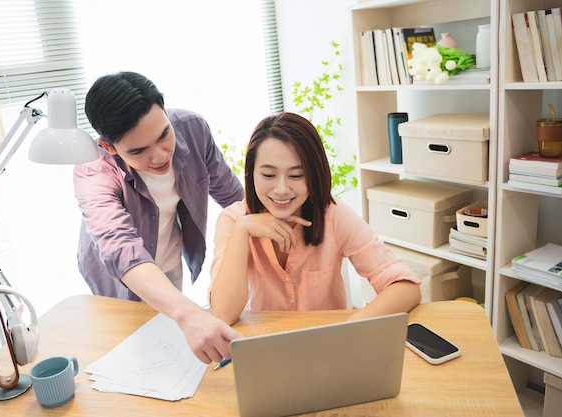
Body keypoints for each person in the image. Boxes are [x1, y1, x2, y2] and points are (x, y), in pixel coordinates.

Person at [73, 71, 244, 363]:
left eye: (163, 135)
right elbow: (121, 249)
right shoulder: (93, 171)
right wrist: (190, 314)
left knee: (169, 349)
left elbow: (232, 198)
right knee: (133, 355)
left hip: (169, 258)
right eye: (138, 151)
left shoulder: (192, 128)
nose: (159, 156)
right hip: (120, 279)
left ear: (165, 112)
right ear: (108, 147)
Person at [209, 112, 421, 325]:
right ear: (251, 173)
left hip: (326, 347)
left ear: (314, 174)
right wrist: (242, 229)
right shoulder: (233, 221)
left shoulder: (333, 215)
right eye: (268, 175)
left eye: (296, 176)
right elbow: (223, 314)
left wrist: (352, 326)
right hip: (260, 344)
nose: (282, 189)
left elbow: (406, 286)